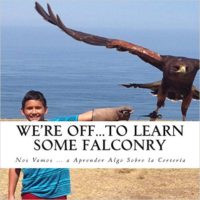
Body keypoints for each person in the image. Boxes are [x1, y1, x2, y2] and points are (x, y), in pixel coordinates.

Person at [8, 90, 133, 200]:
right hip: (32, 192)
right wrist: (10, 195)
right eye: (29, 108)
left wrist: (115, 113)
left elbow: (85, 117)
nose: (34, 111)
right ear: (22, 111)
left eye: (38, 108)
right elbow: (14, 167)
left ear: (46, 110)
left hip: (58, 193)